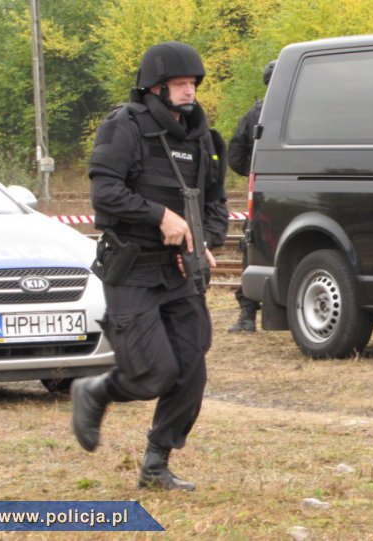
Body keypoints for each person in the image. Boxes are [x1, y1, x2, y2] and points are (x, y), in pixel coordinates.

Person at [72, 41, 228, 490]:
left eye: (192, 83)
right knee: (154, 373)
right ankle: (96, 390)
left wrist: (205, 239)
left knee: (191, 369)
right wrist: (160, 216)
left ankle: (156, 465)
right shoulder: (124, 127)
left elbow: (216, 204)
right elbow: (105, 193)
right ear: (155, 88)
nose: (189, 91)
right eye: (179, 84)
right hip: (133, 267)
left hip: (179, 271)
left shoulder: (203, 138)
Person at [225, 61, 274, 332]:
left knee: (252, 247)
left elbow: (234, 156)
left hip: (264, 191)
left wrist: (253, 172)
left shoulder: (254, 114)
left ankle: (247, 316)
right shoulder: (306, 110)